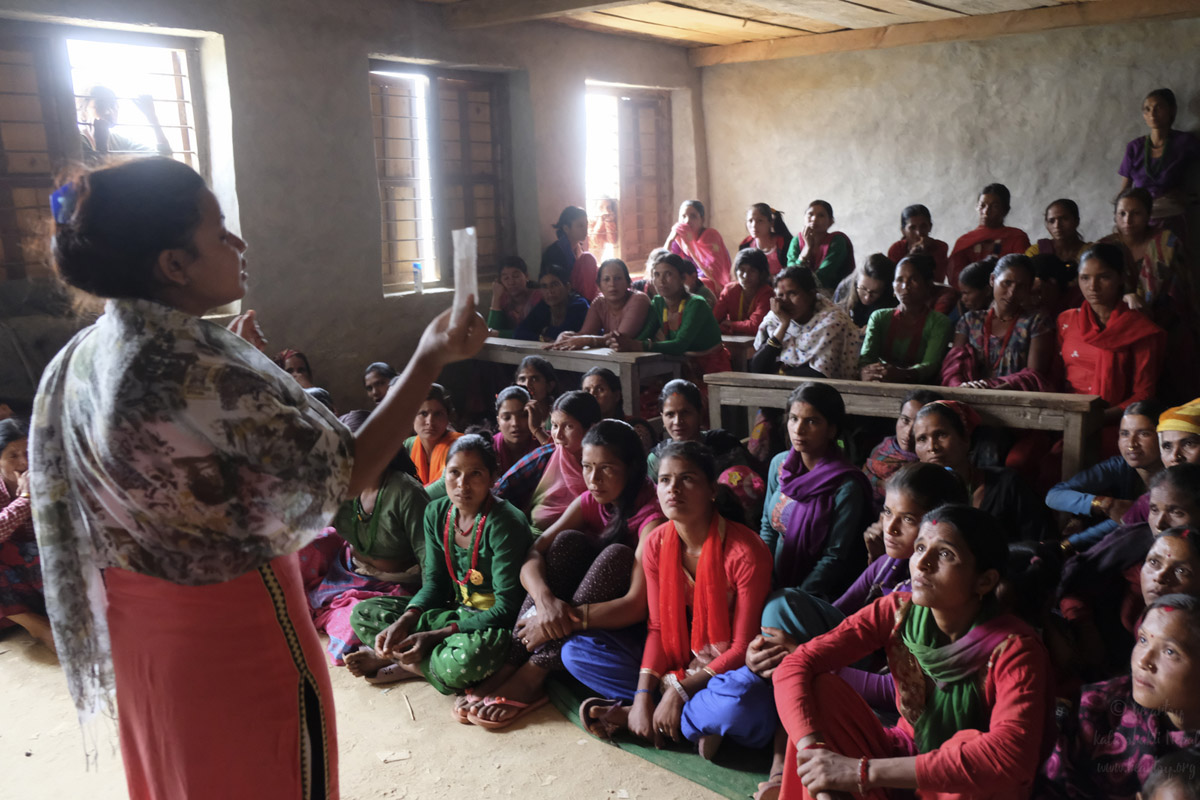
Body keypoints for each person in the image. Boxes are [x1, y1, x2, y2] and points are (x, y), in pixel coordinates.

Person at [30, 157, 486, 798]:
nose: (239, 243)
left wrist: (251, 367)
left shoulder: (87, 354)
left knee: (183, 776)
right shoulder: (198, 366)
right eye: (220, 231)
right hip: (229, 633)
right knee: (265, 771)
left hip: (142, 632)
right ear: (174, 265)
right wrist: (430, 353)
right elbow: (347, 471)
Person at [680, 464, 967, 794]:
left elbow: (901, 691)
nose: (890, 527)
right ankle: (749, 719)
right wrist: (801, 652)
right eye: (888, 512)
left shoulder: (936, 598)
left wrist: (803, 655)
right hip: (862, 665)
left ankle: (773, 758)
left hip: (894, 712)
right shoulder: (888, 566)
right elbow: (846, 615)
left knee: (792, 643)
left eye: (909, 518)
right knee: (786, 633)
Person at [775, 505, 1054, 800]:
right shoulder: (898, 611)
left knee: (968, 744)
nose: (921, 564)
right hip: (902, 755)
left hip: (963, 790)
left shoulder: (1016, 651)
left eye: (945, 554)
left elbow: (1008, 759)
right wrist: (815, 757)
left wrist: (861, 772)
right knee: (821, 689)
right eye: (920, 547)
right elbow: (795, 665)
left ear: (984, 581)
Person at [463, 420, 665, 728]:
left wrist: (559, 621)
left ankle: (533, 675)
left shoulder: (650, 521)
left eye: (607, 468)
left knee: (616, 556)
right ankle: (511, 665)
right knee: (567, 543)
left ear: (632, 467)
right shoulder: (589, 501)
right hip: (577, 613)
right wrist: (545, 605)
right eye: (587, 467)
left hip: (624, 624)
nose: (593, 479)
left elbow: (638, 604)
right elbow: (533, 553)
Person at [576, 440, 773, 747]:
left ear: (711, 490)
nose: (673, 489)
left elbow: (742, 647)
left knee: (743, 702)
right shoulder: (656, 544)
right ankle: (676, 716)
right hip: (678, 656)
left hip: (731, 667)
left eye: (687, 479)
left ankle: (652, 716)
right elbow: (657, 627)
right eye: (665, 480)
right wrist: (643, 693)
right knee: (577, 652)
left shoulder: (745, 553)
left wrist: (679, 690)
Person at [345, 435, 532, 691]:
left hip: (492, 624)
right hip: (452, 610)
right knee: (363, 613)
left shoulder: (505, 523)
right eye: (454, 473)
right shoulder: (436, 513)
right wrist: (406, 621)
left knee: (467, 661)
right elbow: (434, 584)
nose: (462, 485)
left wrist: (436, 636)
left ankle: (406, 664)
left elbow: (507, 609)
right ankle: (418, 659)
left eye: (475, 474)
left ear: (492, 477)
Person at [1038, 593, 1200, 799]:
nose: (1144, 660)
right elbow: (1053, 788)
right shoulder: (1098, 705)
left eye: (1170, 651)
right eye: (1143, 639)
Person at [1057, 466, 1200, 679]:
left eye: (1176, 512)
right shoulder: (1132, 541)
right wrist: (1085, 628)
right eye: (1154, 509)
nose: (1160, 523)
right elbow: (1076, 580)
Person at [309, 446, 430, 663]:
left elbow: (429, 560)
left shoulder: (405, 492)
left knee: (356, 620)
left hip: (393, 583)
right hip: (347, 568)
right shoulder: (343, 485)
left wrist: (420, 606)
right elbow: (309, 520)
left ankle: (386, 655)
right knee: (298, 553)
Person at [760, 383, 873, 598]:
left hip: (821, 593)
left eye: (811, 421)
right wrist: (765, 580)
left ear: (831, 429)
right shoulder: (779, 466)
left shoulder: (846, 485)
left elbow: (834, 557)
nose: (799, 429)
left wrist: (795, 598)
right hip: (772, 580)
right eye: (794, 419)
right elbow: (768, 528)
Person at [1058, 244, 1167, 453]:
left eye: (1104, 277)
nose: (1093, 287)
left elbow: (1144, 393)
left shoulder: (1139, 329)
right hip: (1063, 417)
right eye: (1085, 278)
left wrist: (1099, 417)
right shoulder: (1066, 321)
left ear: (1120, 278)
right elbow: (1056, 376)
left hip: (1117, 423)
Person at [912, 400, 1053, 541]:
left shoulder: (1007, 485)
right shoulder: (917, 496)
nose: (932, 447)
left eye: (941, 435)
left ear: (966, 439)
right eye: (922, 439)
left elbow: (1040, 542)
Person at [1047, 402, 1164, 552]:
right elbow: (1055, 495)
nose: (1131, 444)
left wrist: (1070, 543)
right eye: (1125, 434)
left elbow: (1130, 519)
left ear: (1162, 437)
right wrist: (1100, 503)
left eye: (1143, 434)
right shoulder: (1118, 466)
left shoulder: (1174, 477)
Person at [608, 251, 731, 383]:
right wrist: (623, 344)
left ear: (683, 278)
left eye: (668, 274)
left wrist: (637, 345)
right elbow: (645, 335)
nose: (661, 280)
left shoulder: (696, 304)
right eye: (657, 274)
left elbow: (679, 345)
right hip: (678, 367)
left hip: (712, 371)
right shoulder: (658, 303)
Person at [941, 254, 1055, 391]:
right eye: (1007, 283)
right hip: (969, 396)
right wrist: (962, 387)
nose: (1012, 293)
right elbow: (953, 367)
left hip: (1015, 400)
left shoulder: (1036, 322)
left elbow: (1033, 375)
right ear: (992, 279)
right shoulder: (970, 321)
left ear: (1029, 288)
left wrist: (992, 388)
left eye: (1021, 286)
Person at [495, 391, 603, 534]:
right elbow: (498, 493)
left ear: (591, 428)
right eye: (554, 425)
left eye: (568, 426)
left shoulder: (607, 466)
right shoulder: (545, 457)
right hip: (533, 543)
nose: (558, 435)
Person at [752, 266, 863, 380]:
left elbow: (819, 374)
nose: (785, 302)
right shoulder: (775, 320)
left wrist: (777, 375)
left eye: (792, 294)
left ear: (811, 294)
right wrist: (783, 326)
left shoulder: (832, 322)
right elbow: (757, 367)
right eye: (780, 295)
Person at [859, 254, 953, 384]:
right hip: (880, 381)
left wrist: (903, 375)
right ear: (893, 287)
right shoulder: (879, 317)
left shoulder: (939, 322)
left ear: (928, 285)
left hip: (922, 388)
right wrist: (867, 372)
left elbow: (930, 365)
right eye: (899, 280)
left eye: (913, 280)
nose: (905, 287)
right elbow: (866, 358)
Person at [1117, 88, 1200, 230]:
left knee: (1167, 251)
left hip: (1171, 217)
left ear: (1172, 110)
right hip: (1139, 218)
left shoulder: (1185, 142)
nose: (1152, 114)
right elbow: (1125, 190)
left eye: (1158, 107)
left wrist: (1191, 198)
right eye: (1147, 109)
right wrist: (1120, 215)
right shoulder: (1135, 147)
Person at [0, 419, 50, 651]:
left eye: (29, 452)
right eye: (13, 455)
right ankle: (35, 625)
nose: (24, 462)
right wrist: (25, 500)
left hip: (42, 572)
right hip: (9, 583)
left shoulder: (50, 477)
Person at [1103, 187, 1188, 323]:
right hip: (1117, 320)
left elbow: (1182, 289)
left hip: (1165, 321)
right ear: (1115, 216)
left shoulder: (1166, 243)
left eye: (1136, 213)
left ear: (1148, 215)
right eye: (1122, 213)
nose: (1128, 220)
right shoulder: (1105, 247)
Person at [646, 380, 752, 483]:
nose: (677, 421)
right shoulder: (657, 459)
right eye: (670, 414)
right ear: (662, 418)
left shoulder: (725, 445)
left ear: (700, 414)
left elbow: (745, 490)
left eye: (685, 412)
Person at [862, 389, 943, 518]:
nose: (908, 431)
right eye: (905, 420)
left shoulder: (934, 462)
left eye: (917, 424)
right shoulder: (881, 449)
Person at [549, 258, 650, 350]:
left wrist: (589, 340)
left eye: (618, 278)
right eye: (606, 279)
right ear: (599, 286)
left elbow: (620, 340)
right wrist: (564, 337)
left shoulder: (639, 300)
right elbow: (585, 334)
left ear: (628, 283)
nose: (612, 284)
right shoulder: (599, 303)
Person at [947, 183, 1032, 286]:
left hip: (1007, 294)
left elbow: (1022, 274)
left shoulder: (1016, 237)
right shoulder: (965, 241)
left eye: (994, 206)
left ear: (1005, 210)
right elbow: (956, 276)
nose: (986, 211)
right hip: (971, 296)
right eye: (982, 205)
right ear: (977, 207)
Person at [77, 85, 171, 163]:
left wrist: (152, 118)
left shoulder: (120, 141)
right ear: (83, 113)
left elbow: (165, 160)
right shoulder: (77, 142)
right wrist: (101, 144)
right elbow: (97, 180)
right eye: (100, 105)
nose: (108, 112)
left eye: (112, 105)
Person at [785, 200, 855, 292]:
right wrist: (807, 249)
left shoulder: (837, 241)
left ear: (831, 222)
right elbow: (790, 275)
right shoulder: (796, 241)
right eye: (810, 214)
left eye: (821, 215)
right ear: (804, 218)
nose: (814, 219)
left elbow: (823, 279)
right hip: (799, 293)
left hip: (833, 295)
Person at [403, 383, 463, 487]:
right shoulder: (408, 445)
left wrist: (414, 496)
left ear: (448, 417)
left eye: (438, 414)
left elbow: (446, 484)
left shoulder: (460, 444)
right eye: (423, 413)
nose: (430, 422)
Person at [665, 199, 733, 288]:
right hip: (686, 281)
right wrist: (670, 240)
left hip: (710, 282)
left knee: (700, 285)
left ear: (702, 220)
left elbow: (713, 273)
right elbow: (665, 264)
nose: (687, 221)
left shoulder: (710, 236)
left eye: (693, 216)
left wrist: (689, 245)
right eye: (683, 216)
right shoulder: (679, 238)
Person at [513, 265, 589, 343]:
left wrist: (545, 333)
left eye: (555, 285)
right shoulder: (544, 306)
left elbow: (561, 336)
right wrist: (540, 338)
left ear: (567, 287)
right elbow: (519, 333)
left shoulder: (579, 306)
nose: (549, 291)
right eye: (544, 286)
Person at [541, 205, 598, 299]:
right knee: (588, 258)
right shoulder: (555, 252)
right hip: (563, 297)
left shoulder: (579, 249)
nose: (585, 229)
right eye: (580, 226)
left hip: (580, 296)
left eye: (586, 224)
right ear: (566, 228)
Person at [885, 204, 950, 283]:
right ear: (903, 231)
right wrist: (911, 256)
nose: (919, 233)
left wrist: (924, 254)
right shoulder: (896, 249)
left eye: (923, 226)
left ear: (930, 227)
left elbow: (937, 280)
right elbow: (896, 282)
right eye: (912, 228)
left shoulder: (940, 247)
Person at [714, 248, 773, 335]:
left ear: (762, 273)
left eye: (752, 271)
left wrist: (731, 325)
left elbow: (756, 326)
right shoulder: (729, 290)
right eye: (741, 269)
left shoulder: (767, 293)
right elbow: (714, 321)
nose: (745, 276)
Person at [835, 253, 897, 328]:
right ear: (856, 281)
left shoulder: (892, 298)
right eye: (863, 289)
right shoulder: (844, 289)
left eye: (875, 292)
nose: (867, 297)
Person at [1026, 198, 1089, 271]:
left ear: (1076, 221)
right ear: (1047, 225)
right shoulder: (1036, 252)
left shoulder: (1091, 252)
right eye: (1051, 221)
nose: (1057, 226)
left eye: (1064, 219)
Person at [487, 256, 540, 338]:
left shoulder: (538, 297)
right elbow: (491, 331)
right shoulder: (503, 299)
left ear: (526, 276)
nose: (511, 282)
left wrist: (499, 334)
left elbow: (536, 333)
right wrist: (496, 297)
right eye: (506, 278)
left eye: (516, 276)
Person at [492, 386, 539, 476]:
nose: (515, 423)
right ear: (498, 422)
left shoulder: (548, 440)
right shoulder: (489, 449)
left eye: (522, 415)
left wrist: (537, 430)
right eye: (507, 417)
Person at [513, 355, 558, 447]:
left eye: (534, 379)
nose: (527, 384)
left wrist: (537, 430)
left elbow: (559, 453)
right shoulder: (511, 417)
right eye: (522, 379)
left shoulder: (558, 416)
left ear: (550, 385)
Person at [740, 202, 793, 276]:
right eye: (750, 221)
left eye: (760, 221)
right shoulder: (745, 245)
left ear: (771, 223)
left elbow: (791, 272)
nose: (754, 225)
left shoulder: (784, 243)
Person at [944, 256, 994, 327]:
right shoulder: (961, 312)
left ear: (987, 291)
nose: (963, 299)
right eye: (962, 293)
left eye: (966, 293)